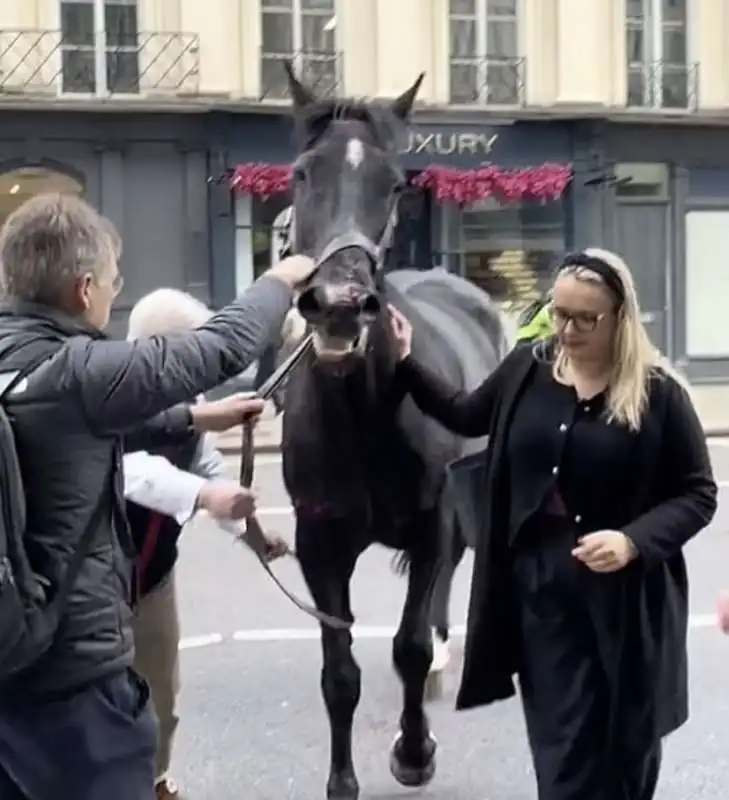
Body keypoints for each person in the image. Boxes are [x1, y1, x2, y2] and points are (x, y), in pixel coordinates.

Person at [0, 193, 316, 800]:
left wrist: (194, 420)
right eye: (114, 283)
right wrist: (279, 278)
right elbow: (222, 346)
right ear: (84, 289)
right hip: (74, 694)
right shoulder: (78, 370)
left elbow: (69, 429)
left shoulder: (27, 366)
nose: (114, 296)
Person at [388, 248, 718, 800]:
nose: (565, 329)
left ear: (619, 318)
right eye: (558, 313)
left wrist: (633, 541)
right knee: (563, 756)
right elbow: (467, 412)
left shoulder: (659, 393)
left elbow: (698, 493)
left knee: (624, 755)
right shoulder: (528, 368)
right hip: (542, 592)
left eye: (583, 319)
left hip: (628, 605)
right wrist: (404, 360)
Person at [125, 287, 286, 800]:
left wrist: (253, 536)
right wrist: (205, 495)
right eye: (197, 350)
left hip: (153, 580)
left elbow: (207, 467)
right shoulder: (106, 399)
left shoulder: (191, 404)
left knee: (162, 701)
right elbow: (133, 473)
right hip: (92, 586)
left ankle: (156, 782)